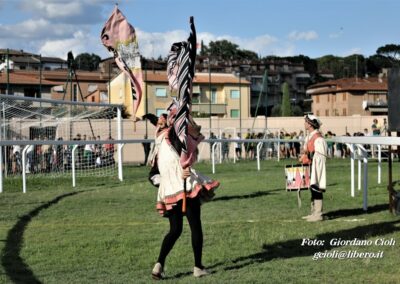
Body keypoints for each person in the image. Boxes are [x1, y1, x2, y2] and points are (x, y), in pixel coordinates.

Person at [145, 106, 219, 280]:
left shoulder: (157, 145)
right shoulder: (173, 135)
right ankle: (198, 267)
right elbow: (194, 137)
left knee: (175, 229)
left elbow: (153, 176)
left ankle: (159, 265)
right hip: (184, 187)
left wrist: (167, 181)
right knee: (195, 227)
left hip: (169, 191)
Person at [299, 114, 327, 222]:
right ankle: (314, 212)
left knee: (316, 188)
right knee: (312, 188)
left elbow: (320, 155)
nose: (305, 124)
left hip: (315, 166)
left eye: (306, 122)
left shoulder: (318, 138)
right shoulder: (310, 136)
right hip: (310, 165)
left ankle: (318, 214)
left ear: (310, 124)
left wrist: (310, 155)